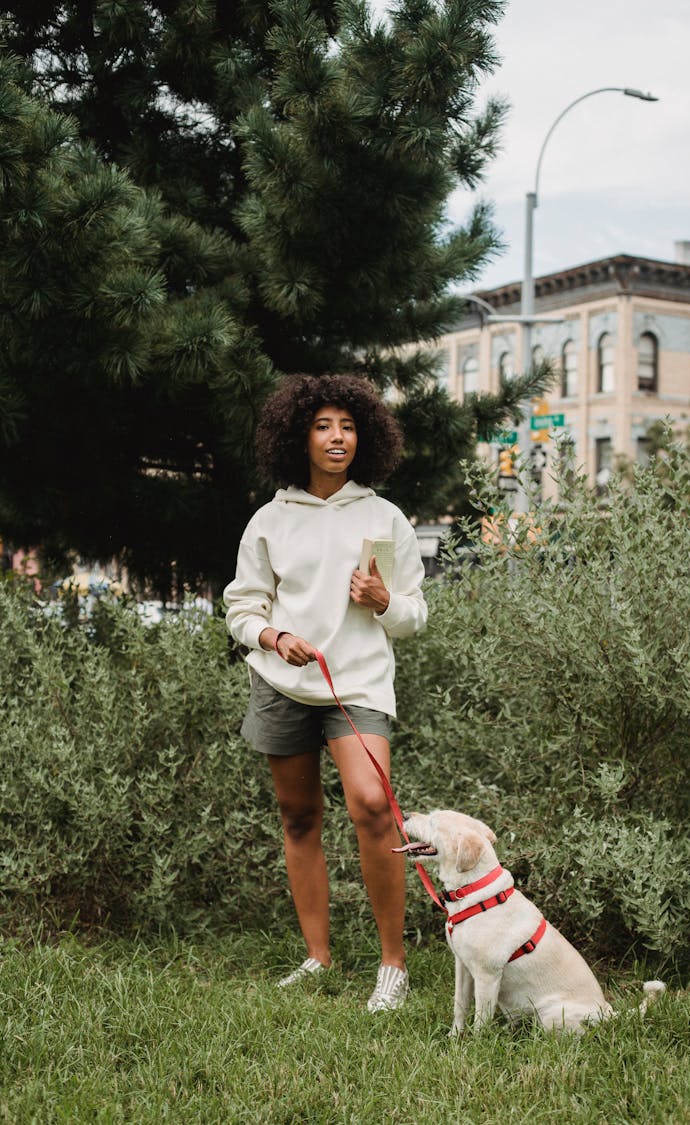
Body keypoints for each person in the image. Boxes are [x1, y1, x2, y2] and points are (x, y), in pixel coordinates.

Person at [223, 373, 428, 1011]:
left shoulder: (384, 516)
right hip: (283, 684)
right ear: (299, 436)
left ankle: (392, 965)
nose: (337, 437)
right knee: (300, 817)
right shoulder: (270, 519)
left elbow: (415, 616)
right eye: (322, 426)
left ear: (363, 436)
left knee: (372, 807)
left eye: (347, 425)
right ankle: (318, 957)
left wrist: (384, 600)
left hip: (357, 684)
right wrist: (274, 637)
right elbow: (241, 609)